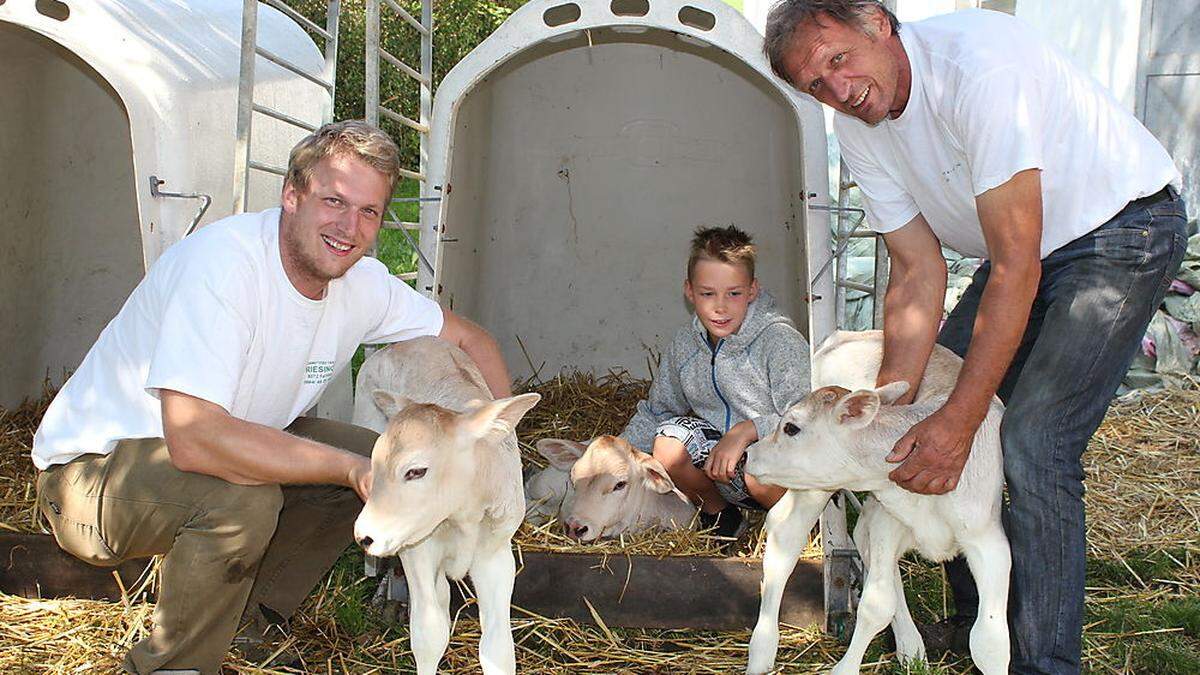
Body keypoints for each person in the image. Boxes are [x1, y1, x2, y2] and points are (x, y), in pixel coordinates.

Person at [763, 2, 1188, 673]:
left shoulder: (976, 67)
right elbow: (916, 268)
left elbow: (1017, 265)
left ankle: (1044, 662)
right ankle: (977, 630)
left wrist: (958, 418)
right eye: (815, 85)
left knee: (1031, 440)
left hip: (1119, 231)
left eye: (837, 60)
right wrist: (893, 415)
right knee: (926, 421)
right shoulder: (862, 124)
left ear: (877, 22)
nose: (837, 90)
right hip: (1021, 251)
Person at [30, 120, 514, 675]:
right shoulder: (224, 266)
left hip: (213, 446)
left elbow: (471, 339)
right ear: (291, 194)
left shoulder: (362, 283)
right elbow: (194, 441)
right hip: (93, 477)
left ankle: (247, 619)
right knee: (248, 501)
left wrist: (498, 449)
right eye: (333, 201)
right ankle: (170, 666)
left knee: (376, 454)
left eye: (369, 212)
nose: (348, 226)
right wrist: (353, 469)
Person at [620, 225, 812, 541]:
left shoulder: (779, 341)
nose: (720, 307)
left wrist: (746, 430)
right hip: (722, 468)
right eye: (708, 293)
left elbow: (806, 418)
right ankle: (721, 515)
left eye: (733, 294)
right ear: (690, 291)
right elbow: (658, 411)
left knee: (758, 469)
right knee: (667, 445)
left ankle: (798, 527)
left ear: (752, 290)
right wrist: (618, 453)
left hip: (779, 467)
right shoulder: (685, 344)